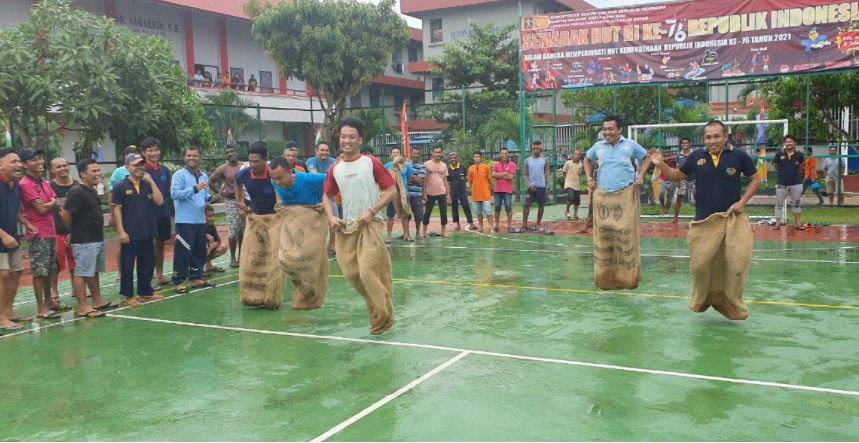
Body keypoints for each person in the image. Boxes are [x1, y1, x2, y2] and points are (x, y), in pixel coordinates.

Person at [322, 117, 397, 335]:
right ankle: (377, 311)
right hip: (349, 228)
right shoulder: (335, 168)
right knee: (353, 275)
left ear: (359, 140)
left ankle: (385, 314)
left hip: (371, 225)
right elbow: (326, 196)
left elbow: (392, 190)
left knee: (366, 272)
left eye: (351, 137)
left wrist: (372, 211)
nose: (346, 140)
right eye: (343, 136)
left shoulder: (370, 162)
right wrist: (331, 218)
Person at [649, 120, 762, 220]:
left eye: (717, 136)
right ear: (704, 138)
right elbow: (677, 176)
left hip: (731, 217)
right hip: (703, 219)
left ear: (725, 137)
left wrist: (742, 202)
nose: (712, 141)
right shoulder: (696, 156)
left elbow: (756, 180)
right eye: (708, 137)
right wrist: (660, 164)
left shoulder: (739, 155)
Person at [61, 159, 116, 318]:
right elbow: (65, 215)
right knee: (82, 272)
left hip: (96, 237)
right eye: (94, 171)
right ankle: (83, 307)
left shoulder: (91, 190)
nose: (98, 174)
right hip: (84, 240)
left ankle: (97, 300)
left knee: (93, 271)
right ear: (83, 174)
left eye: (98, 170)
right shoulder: (77, 191)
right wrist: (73, 231)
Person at [112, 153, 165, 307]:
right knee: (128, 264)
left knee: (147, 263)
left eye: (141, 164)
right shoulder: (120, 186)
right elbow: (116, 210)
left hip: (147, 231)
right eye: (135, 165)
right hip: (130, 233)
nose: (139, 168)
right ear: (127, 167)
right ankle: (128, 295)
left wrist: (152, 181)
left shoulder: (147, 184)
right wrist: (121, 231)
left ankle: (145, 291)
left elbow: (160, 201)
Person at [18, 149, 64, 320]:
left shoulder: (43, 182)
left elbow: (54, 201)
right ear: (24, 165)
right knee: (39, 271)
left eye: (40, 158)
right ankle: (41, 308)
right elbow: (42, 208)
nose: (39, 162)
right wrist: (51, 203)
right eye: (33, 160)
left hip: (50, 231)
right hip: (38, 233)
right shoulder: (25, 184)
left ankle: (50, 301)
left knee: (50, 269)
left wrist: (51, 203)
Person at [0, 149, 38, 330]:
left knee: (16, 272)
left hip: (12, 237)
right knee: (2, 274)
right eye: (14, 162)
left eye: (19, 162)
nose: (19, 165)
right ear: (1, 165)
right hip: (3, 237)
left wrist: (27, 223)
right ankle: (1, 318)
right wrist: (3, 235)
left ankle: (8, 311)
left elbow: (15, 211)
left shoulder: (14, 185)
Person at [171, 147, 216, 293]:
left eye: (195, 156)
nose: (192, 158)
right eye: (189, 155)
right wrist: (194, 189)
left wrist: (212, 199)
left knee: (199, 250)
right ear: (184, 158)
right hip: (185, 221)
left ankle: (196, 278)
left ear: (200, 158)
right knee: (183, 251)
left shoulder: (203, 175)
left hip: (200, 220)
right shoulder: (179, 175)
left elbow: (203, 196)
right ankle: (178, 281)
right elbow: (175, 194)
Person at [584, 114, 650, 194]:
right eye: (604, 129)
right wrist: (588, 177)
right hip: (604, 194)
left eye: (610, 129)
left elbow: (646, 157)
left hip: (626, 194)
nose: (607, 132)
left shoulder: (630, 144)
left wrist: (640, 175)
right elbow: (587, 159)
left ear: (620, 130)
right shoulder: (598, 146)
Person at [140, 137, 174, 285]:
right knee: (148, 246)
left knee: (160, 244)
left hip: (163, 213)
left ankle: (159, 274)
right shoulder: (141, 171)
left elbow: (167, 193)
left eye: (156, 149)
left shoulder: (165, 170)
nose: (154, 153)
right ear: (143, 153)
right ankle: (147, 278)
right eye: (150, 150)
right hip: (147, 215)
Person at [208, 144, 244, 267]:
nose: (230, 154)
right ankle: (233, 257)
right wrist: (221, 192)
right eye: (227, 152)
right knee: (233, 231)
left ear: (236, 152)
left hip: (244, 201)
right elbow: (210, 180)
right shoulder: (223, 169)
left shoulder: (243, 166)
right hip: (231, 201)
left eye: (232, 151)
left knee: (243, 230)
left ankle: (242, 256)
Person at [49, 158, 79, 304]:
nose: (63, 168)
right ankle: (54, 291)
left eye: (65, 165)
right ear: (53, 170)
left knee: (75, 262)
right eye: (59, 166)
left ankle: (76, 288)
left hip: (75, 230)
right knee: (55, 263)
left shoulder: (77, 185)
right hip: (56, 230)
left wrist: (73, 230)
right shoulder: (49, 187)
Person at [108, 145, 139, 283]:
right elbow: (112, 193)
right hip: (124, 214)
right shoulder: (118, 172)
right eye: (130, 154)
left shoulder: (142, 171)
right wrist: (112, 214)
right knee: (123, 244)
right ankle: (121, 273)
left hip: (139, 215)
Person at [306, 141, 339, 256]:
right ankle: (315, 247)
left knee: (335, 223)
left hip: (331, 198)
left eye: (326, 150)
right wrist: (330, 178)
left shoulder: (333, 161)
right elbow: (315, 178)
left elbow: (336, 178)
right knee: (314, 225)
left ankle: (332, 244)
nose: (324, 152)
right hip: (315, 199)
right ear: (316, 151)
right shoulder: (311, 161)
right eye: (322, 150)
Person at [772, 134, 805, 230]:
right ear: (784, 143)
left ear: (794, 143)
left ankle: (798, 224)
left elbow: (801, 167)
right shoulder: (779, 154)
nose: (788, 143)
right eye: (786, 142)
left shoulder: (800, 154)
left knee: (796, 203)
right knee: (779, 203)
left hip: (796, 182)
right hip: (782, 182)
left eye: (790, 142)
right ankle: (777, 223)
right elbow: (776, 166)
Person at [236, 142, 277, 217]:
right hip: (256, 216)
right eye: (250, 161)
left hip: (276, 216)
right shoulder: (244, 173)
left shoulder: (274, 173)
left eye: (256, 161)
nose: (252, 165)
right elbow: (237, 181)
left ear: (266, 160)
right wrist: (239, 202)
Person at [384, 147, 414, 242]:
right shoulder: (387, 166)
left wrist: (401, 186)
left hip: (404, 193)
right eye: (394, 152)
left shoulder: (407, 166)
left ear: (400, 155)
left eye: (397, 152)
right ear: (391, 155)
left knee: (405, 214)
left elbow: (409, 178)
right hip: (391, 194)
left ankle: (406, 234)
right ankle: (389, 236)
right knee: (390, 215)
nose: (396, 154)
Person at [421, 145, 451, 238]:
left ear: (441, 153)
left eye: (439, 152)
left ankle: (443, 231)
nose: (437, 154)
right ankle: (424, 232)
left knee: (444, 213)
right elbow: (424, 180)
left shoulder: (444, 165)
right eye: (436, 152)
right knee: (427, 213)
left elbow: (445, 180)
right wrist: (424, 193)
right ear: (433, 153)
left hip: (441, 192)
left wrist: (448, 194)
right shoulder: (426, 164)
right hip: (430, 193)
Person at [521, 141, 550, 230]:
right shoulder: (527, 160)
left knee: (541, 205)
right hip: (531, 187)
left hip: (541, 186)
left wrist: (547, 186)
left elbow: (547, 174)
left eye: (538, 148)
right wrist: (529, 185)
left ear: (541, 148)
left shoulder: (544, 160)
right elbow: (525, 174)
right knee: (527, 204)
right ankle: (524, 224)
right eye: (534, 148)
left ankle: (538, 223)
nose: (536, 150)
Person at [447, 152, 477, 231]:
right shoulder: (448, 169)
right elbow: (447, 181)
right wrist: (448, 194)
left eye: (454, 157)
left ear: (457, 158)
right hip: (453, 191)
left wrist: (468, 184)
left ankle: (471, 223)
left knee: (466, 206)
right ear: (449, 160)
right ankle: (457, 224)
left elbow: (467, 177)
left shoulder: (462, 167)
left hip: (462, 191)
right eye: (451, 158)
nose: (453, 159)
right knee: (454, 208)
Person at [467, 151, 493, 233]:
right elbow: (470, 180)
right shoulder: (471, 168)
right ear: (473, 158)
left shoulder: (485, 167)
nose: (477, 158)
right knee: (478, 212)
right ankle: (481, 227)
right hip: (475, 195)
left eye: (478, 157)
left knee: (488, 211)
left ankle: (491, 227)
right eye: (475, 157)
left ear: (481, 158)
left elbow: (489, 179)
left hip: (485, 194)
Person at [492, 147, 517, 232]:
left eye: (506, 153)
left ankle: (509, 226)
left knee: (508, 207)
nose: (504, 155)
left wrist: (499, 174)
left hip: (507, 190)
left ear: (508, 154)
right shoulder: (496, 164)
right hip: (497, 190)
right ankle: (497, 225)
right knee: (497, 207)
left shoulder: (512, 164)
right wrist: (505, 173)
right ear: (500, 154)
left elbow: (510, 176)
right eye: (502, 153)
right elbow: (493, 175)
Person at [672, 138, 696, 223]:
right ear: (681, 145)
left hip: (694, 178)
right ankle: (675, 218)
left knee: (697, 198)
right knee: (679, 198)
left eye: (686, 143)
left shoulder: (694, 153)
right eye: (683, 143)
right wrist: (677, 179)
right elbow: (677, 168)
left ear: (689, 144)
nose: (685, 144)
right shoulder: (679, 155)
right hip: (682, 179)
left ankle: (699, 216)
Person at [407, 147, 426, 237]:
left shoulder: (422, 166)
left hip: (417, 194)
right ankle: (406, 232)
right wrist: (414, 177)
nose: (416, 155)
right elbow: (404, 178)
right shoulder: (406, 165)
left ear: (420, 154)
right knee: (406, 214)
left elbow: (419, 180)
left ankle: (418, 232)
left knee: (418, 215)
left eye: (417, 153)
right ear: (411, 153)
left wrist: (410, 178)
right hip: (406, 194)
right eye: (414, 153)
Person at [204, 205, 228, 274]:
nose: (212, 218)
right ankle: (194, 267)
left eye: (213, 215)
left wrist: (210, 248)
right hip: (194, 252)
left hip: (205, 249)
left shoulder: (211, 226)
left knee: (223, 247)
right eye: (209, 216)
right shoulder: (197, 227)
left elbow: (218, 240)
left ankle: (208, 266)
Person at [561, 149, 583, 220]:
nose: (577, 156)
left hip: (576, 185)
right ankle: (567, 210)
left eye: (578, 154)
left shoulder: (580, 165)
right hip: (569, 184)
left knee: (577, 201)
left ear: (580, 155)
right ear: (573, 155)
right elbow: (564, 172)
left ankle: (575, 215)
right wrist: (566, 180)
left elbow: (579, 174)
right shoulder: (568, 163)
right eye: (575, 154)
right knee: (571, 197)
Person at [657, 149, 677, 215]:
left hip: (672, 179)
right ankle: (664, 207)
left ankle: (666, 210)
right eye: (665, 152)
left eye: (668, 152)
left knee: (670, 196)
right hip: (663, 179)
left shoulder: (673, 158)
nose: (666, 153)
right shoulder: (661, 159)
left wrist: (668, 158)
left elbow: (677, 157)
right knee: (661, 194)